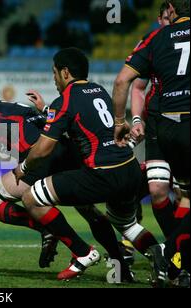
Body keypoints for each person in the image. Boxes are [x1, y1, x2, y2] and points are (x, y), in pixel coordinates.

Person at [0, 95, 136, 282]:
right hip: (67, 152)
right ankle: (120, 270)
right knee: (89, 211)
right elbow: (47, 121)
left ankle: (71, 244)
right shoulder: (14, 108)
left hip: (37, 160)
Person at [13, 48, 158, 281]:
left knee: (31, 198)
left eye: (54, 73)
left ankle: (83, 252)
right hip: (129, 169)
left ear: (65, 72)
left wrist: (24, 168)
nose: (54, 78)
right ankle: (158, 255)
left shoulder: (67, 99)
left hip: (102, 175)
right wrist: (46, 109)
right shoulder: (99, 90)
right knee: (126, 224)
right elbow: (84, 116)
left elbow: (43, 148)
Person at [112, 0, 189, 287]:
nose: (164, 22)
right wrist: (134, 120)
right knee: (158, 191)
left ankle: (175, 258)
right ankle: (176, 257)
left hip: (177, 122)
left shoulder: (160, 41)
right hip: (159, 124)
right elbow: (137, 86)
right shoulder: (156, 44)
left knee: (182, 195)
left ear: (171, 11)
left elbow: (124, 82)